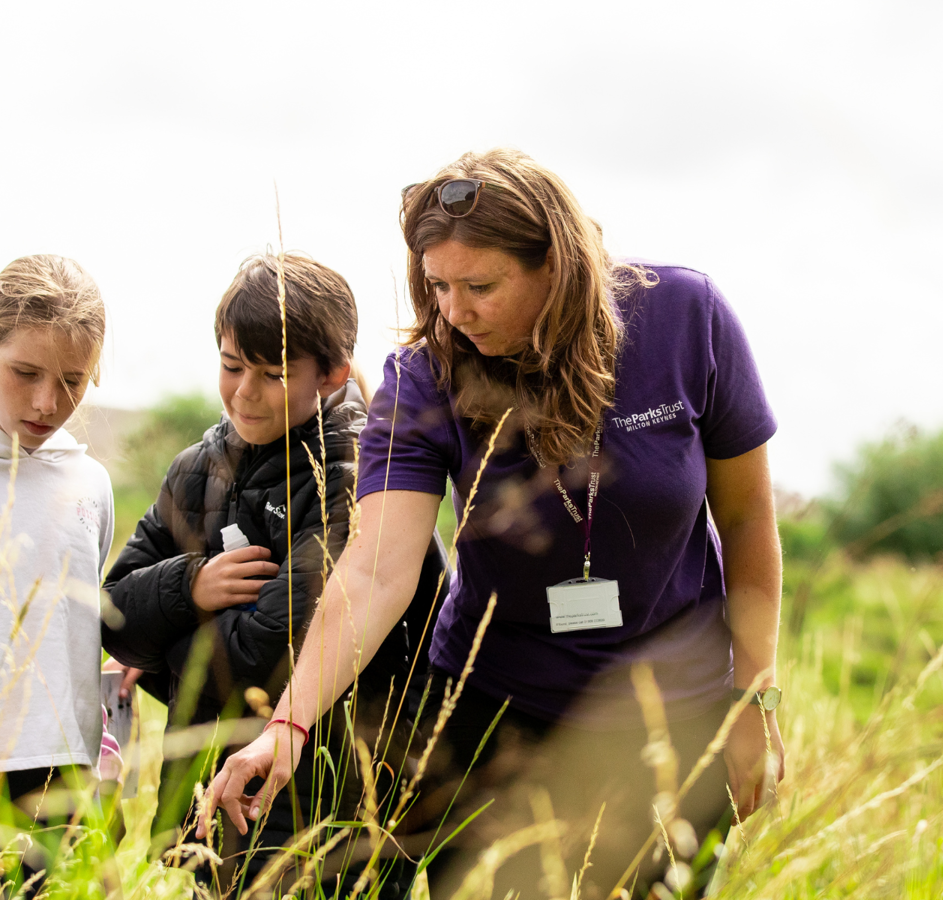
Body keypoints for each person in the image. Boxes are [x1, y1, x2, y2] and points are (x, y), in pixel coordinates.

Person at [201, 150, 785, 897]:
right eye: (437, 285)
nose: (453, 310)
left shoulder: (686, 316)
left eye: (480, 286)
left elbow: (745, 517)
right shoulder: (425, 377)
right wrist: (288, 724)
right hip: (498, 715)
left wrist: (754, 697)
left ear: (558, 267)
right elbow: (378, 569)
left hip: (676, 711)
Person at [100, 253, 447, 890]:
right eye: (232, 367)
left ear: (333, 374)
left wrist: (165, 634)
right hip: (201, 793)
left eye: (273, 373)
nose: (245, 392)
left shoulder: (361, 479)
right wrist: (191, 584)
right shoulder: (197, 465)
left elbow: (272, 658)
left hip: (324, 804)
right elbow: (112, 615)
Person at [0, 254, 117, 883]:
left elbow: (79, 626)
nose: (48, 403)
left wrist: (104, 746)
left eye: (74, 381)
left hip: (64, 775)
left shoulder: (88, 481)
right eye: (25, 373)